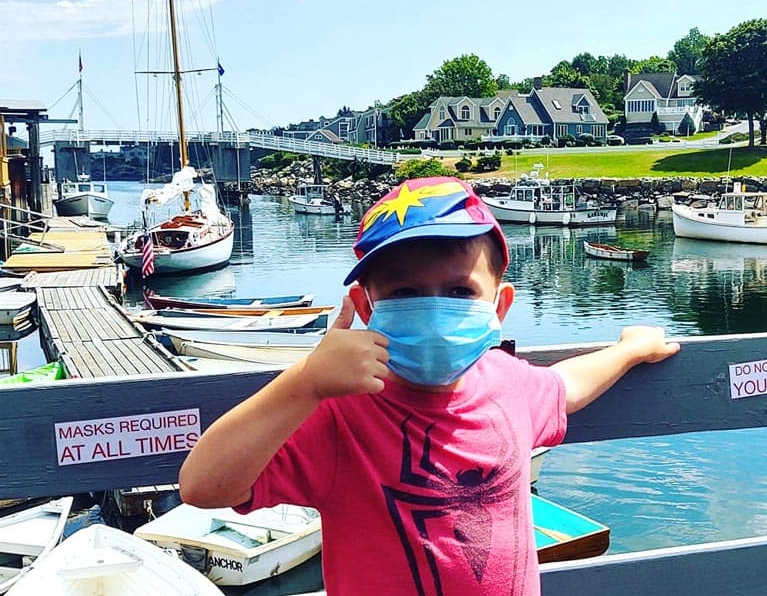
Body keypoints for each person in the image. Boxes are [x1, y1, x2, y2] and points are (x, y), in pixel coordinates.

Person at [179, 176, 680, 596]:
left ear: (499, 308)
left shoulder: (509, 384)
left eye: (460, 291)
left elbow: (564, 386)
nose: (436, 309)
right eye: (406, 293)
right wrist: (304, 383)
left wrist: (629, 350)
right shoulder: (340, 412)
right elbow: (204, 486)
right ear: (368, 308)